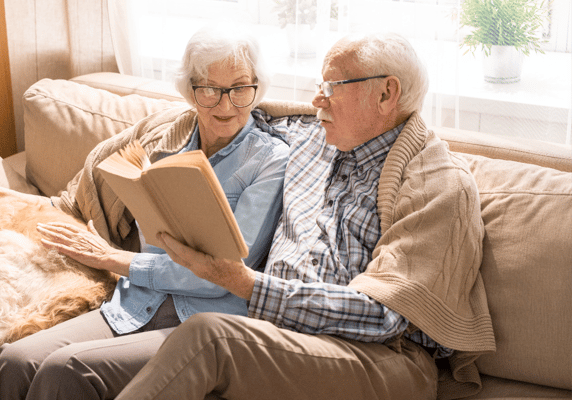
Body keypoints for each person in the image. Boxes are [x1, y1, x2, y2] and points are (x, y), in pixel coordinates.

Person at [114, 32, 496, 400]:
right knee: (74, 372)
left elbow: (385, 316)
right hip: (283, 338)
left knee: (208, 337)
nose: (317, 98)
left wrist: (246, 283)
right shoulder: (312, 138)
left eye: (331, 87)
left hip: (379, 357)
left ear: (385, 93)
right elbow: (238, 114)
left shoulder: (439, 185)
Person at [0, 25, 294, 400]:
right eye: (209, 89)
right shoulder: (164, 146)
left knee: (64, 370)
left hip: (201, 320)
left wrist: (116, 259)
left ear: (258, 88)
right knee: (15, 359)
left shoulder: (268, 160)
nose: (225, 106)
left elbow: (222, 274)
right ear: (191, 91)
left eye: (240, 88)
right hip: (133, 303)